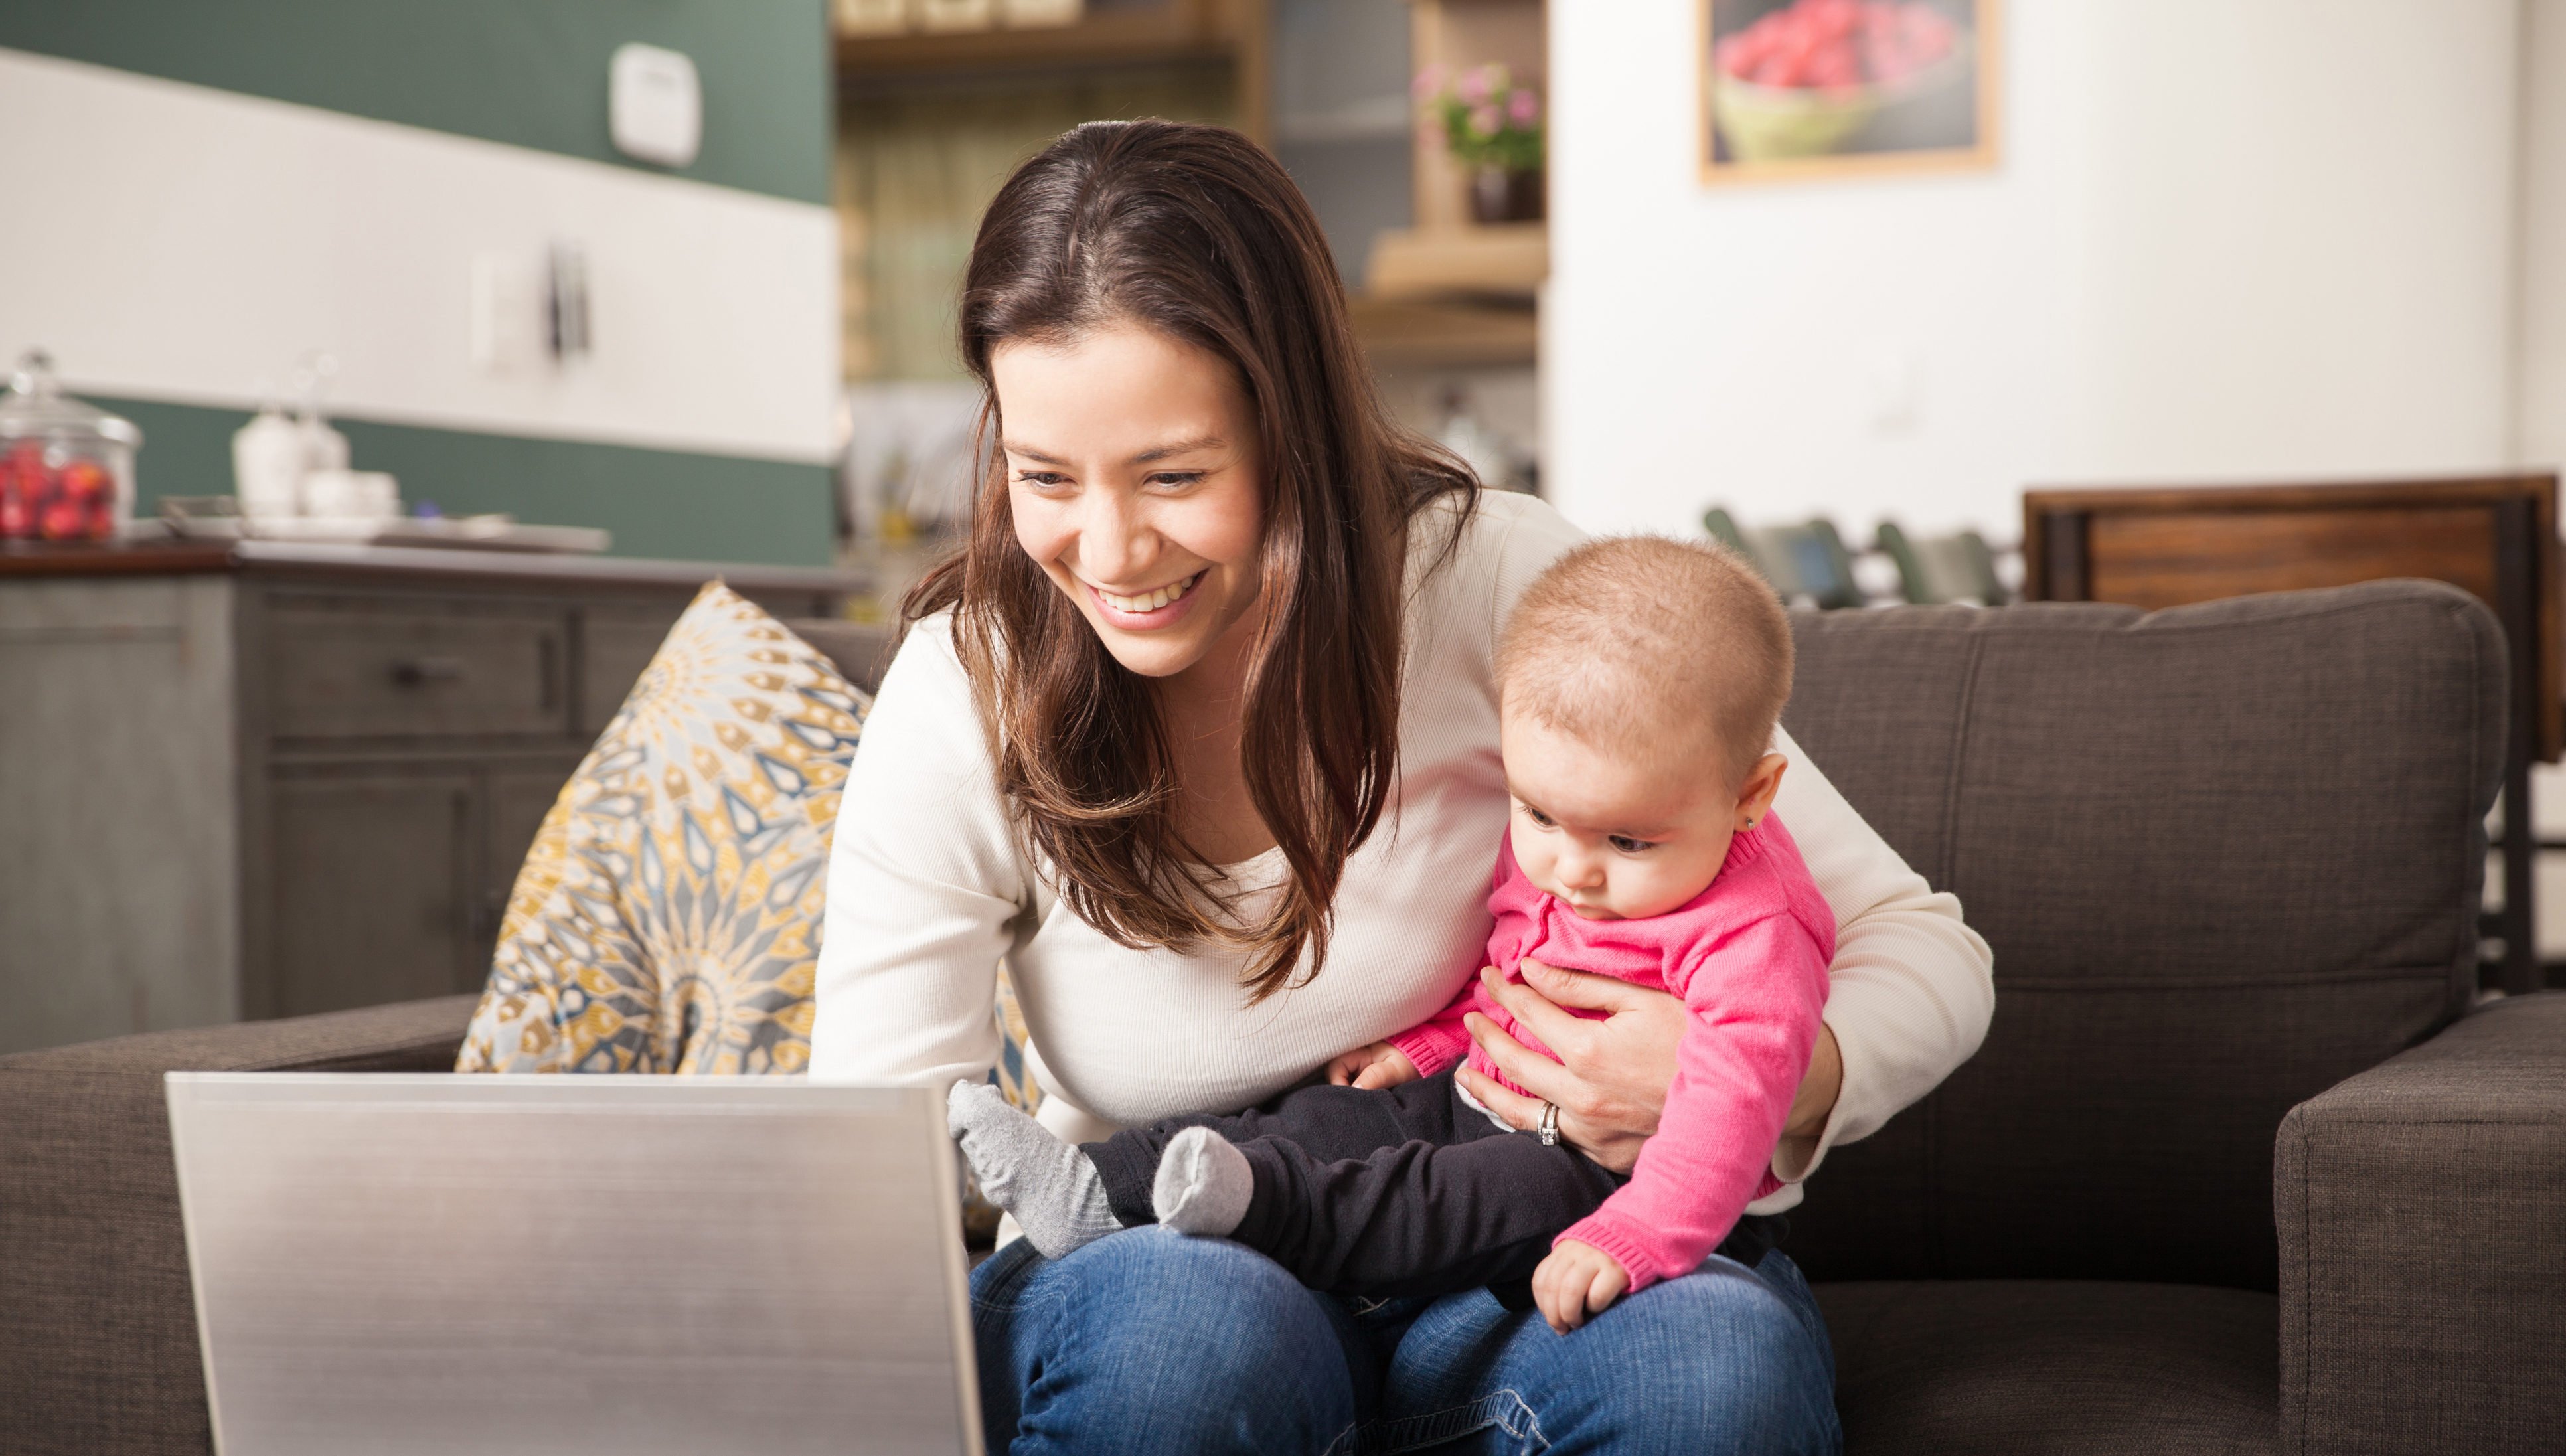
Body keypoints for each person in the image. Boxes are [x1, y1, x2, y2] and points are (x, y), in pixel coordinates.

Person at [811, 118, 1993, 1455]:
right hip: (1168, 1263)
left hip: (1509, 1261)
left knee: (1712, 1366)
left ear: (1292, 423)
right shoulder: (968, 681)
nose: (1109, 548)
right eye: (1043, 476)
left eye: (1176, 475)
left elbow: (1921, 946)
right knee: (1184, 1350)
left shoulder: (1494, 580)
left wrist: (1757, 1078)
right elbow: (876, 1154)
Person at [945, 536, 1836, 1340]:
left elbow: (1733, 1109)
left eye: (1628, 842)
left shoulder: (1755, 931)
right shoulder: (1575, 830)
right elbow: (1515, 973)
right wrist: (1433, 1041)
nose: (1572, 870)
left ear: (1751, 795)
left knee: (1460, 1197)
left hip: (1618, 1177)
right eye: (1538, 815)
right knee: (1317, 1116)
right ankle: (1095, 1183)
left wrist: (1641, 1232)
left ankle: (1257, 1209)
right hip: (1478, 1088)